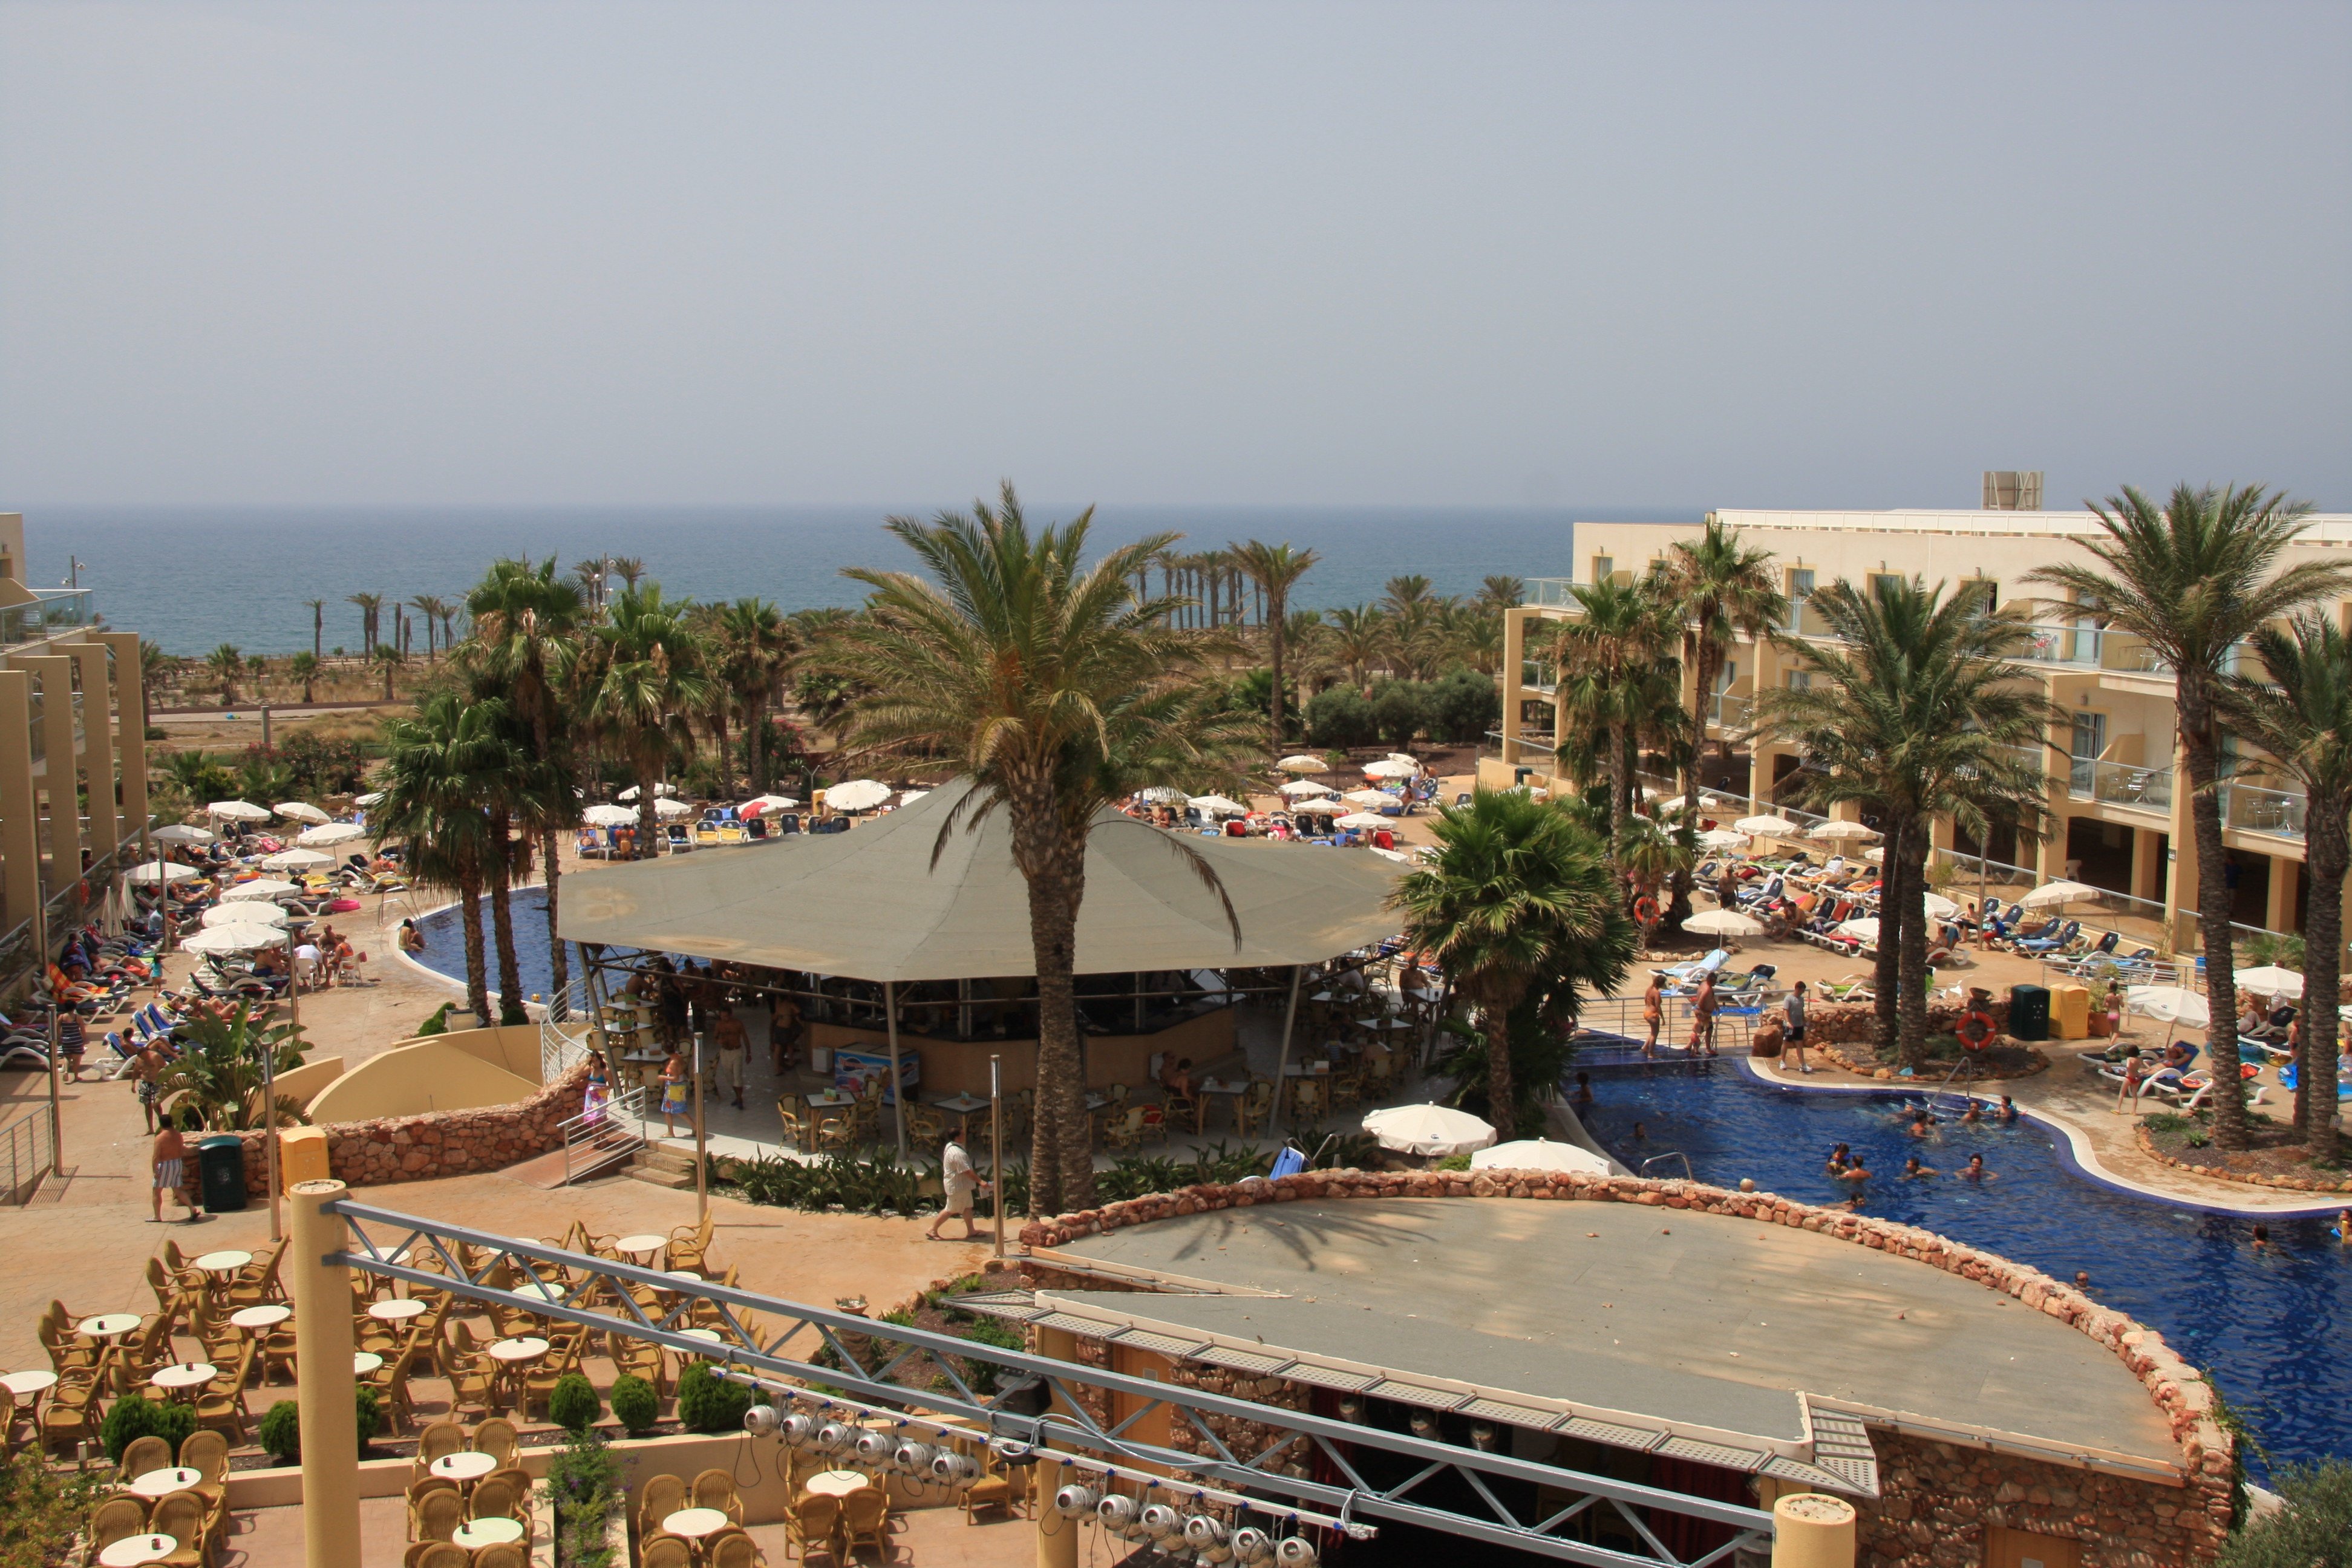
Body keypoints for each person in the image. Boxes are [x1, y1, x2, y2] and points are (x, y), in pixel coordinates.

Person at [927, 1131, 991, 1241]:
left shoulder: (952, 1147)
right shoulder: (957, 1153)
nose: (965, 1136)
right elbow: (966, 1171)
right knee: (951, 1209)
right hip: (957, 1187)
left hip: (962, 1186)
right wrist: (980, 1181)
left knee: (967, 1207)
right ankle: (932, 1230)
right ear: (957, 1137)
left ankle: (971, 1231)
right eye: (963, 1134)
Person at [151, 1122, 196, 1223]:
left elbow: (156, 1156)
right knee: (178, 1189)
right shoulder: (178, 1135)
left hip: (165, 1165)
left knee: (157, 1191)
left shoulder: (160, 1138)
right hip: (177, 1163)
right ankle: (192, 1208)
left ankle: (157, 1216)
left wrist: (155, 1170)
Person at [712, 1010, 748, 1109]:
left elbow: (745, 1037)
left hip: (736, 1051)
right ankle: (737, 1096)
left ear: (730, 1015)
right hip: (725, 1052)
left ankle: (740, 1099)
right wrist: (718, 1040)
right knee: (729, 1077)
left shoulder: (737, 1024)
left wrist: (749, 1053)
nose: (724, 1018)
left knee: (737, 1076)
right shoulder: (719, 1025)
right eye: (722, 1016)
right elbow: (715, 1036)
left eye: (726, 1016)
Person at [131, 1043, 170, 1133]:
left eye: (144, 1057)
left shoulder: (155, 1057)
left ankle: (163, 1126)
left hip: (156, 1083)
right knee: (147, 1106)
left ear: (147, 1052)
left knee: (156, 1105)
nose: (143, 1059)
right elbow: (136, 1070)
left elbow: (165, 1067)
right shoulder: (139, 1059)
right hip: (144, 1083)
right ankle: (151, 1128)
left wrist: (167, 1080)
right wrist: (133, 1083)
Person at [658, 1044, 691, 1138]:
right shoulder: (679, 1057)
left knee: (678, 1110)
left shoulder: (673, 1062)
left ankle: (695, 1126)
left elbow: (676, 1078)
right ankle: (670, 1131)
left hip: (674, 1087)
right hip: (676, 1086)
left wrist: (663, 1077)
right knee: (667, 1110)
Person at [768, 990, 800, 1075]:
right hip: (785, 1029)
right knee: (789, 1045)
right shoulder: (790, 1005)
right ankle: (790, 1061)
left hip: (778, 1028)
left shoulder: (779, 1006)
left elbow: (774, 1018)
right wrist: (791, 1014)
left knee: (777, 1050)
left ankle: (777, 1069)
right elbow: (798, 1011)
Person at [1783, 981, 1810, 1073]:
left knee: (1799, 1045)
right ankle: (1782, 1061)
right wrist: (1788, 1022)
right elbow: (1785, 1011)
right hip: (1790, 1026)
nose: (1803, 992)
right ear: (1798, 989)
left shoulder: (1801, 999)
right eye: (1802, 990)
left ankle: (1802, 1065)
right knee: (1786, 1043)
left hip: (1799, 1025)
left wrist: (1804, 1021)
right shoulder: (1789, 999)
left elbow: (1801, 1011)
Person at [1689, 973, 1719, 1057]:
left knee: (1706, 1029)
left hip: (1704, 1013)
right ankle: (1696, 1050)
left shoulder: (1704, 984)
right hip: (1703, 1013)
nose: (1715, 983)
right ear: (1711, 980)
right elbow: (1701, 1002)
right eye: (1715, 981)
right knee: (1698, 1032)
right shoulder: (1707, 990)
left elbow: (1710, 998)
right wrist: (1704, 1014)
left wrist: (1715, 1004)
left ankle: (1690, 1047)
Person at [1642, 975, 1664, 1057]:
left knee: (1652, 1032)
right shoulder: (1656, 992)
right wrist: (1663, 1018)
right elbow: (1658, 1007)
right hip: (1653, 1014)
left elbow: (1645, 1000)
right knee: (1655, 1034)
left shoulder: (1649, 989)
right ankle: (1651, 1053)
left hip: (1646, 1012)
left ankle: (1645, 1047)